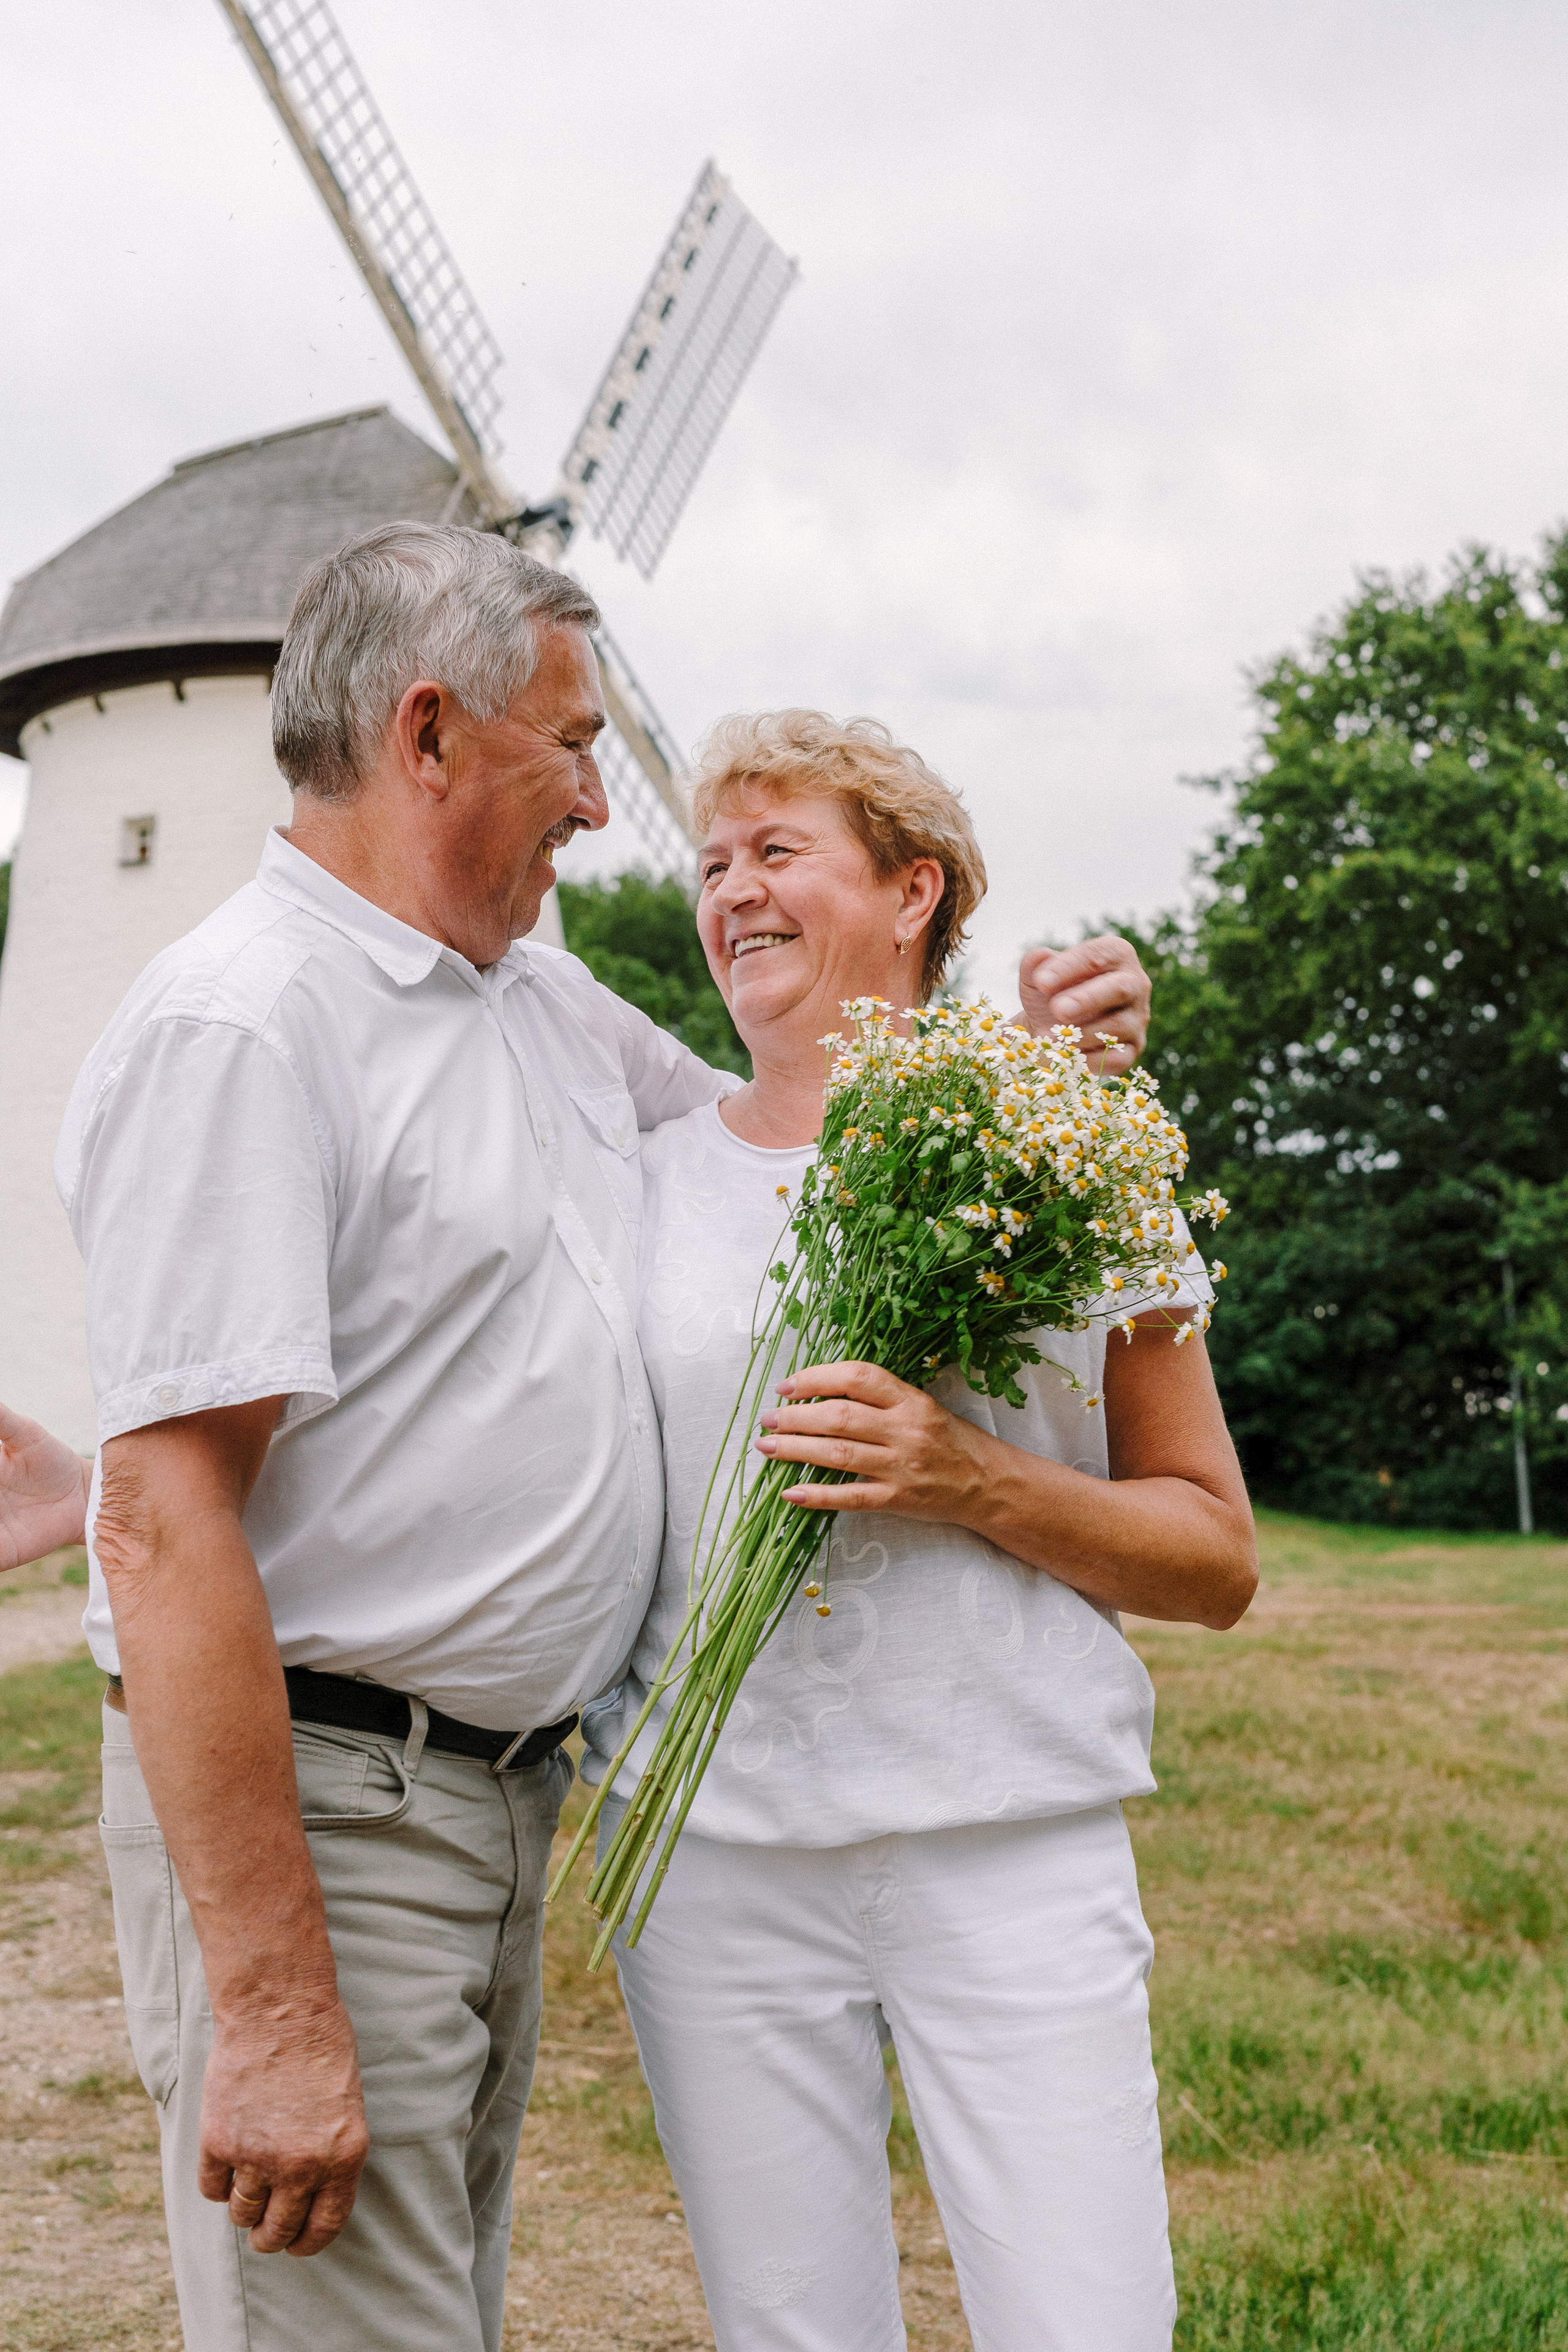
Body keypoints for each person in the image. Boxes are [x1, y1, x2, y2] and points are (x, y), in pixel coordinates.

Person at [0, 527, 1153, 2351]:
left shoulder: (532, 1002)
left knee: (423, 2314)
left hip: (494, 1808)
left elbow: (802, 1167)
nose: (606, 813)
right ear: (433, 735)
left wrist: (1040, 1077)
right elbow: (179, 1512)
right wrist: (281, 2011)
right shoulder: (247, 1022)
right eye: (576, 744)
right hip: (331, 1813)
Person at [579, 710, 1257, 2352]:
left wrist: (970, 1476)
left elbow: (1215, 1555)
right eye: (713, 861)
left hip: (1004, 1840)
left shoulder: (1075, 1155)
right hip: (714, 1862)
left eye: (777, 849)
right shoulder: (638, 1179)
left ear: (912, 890)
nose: (730, 888)